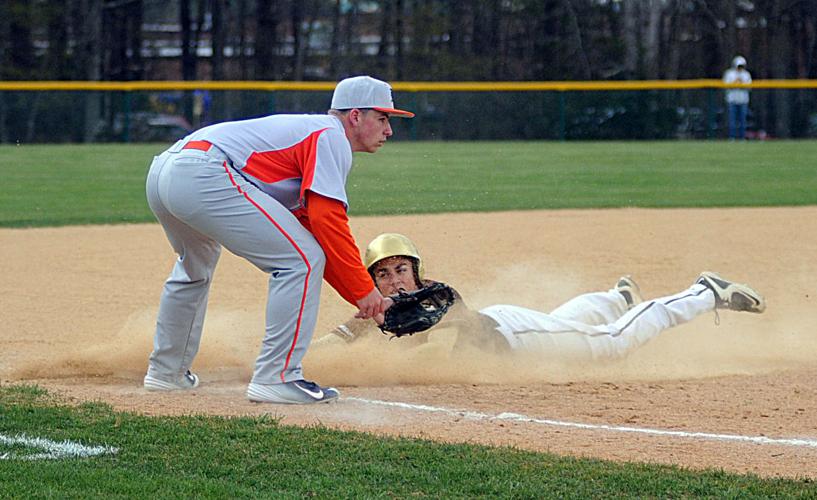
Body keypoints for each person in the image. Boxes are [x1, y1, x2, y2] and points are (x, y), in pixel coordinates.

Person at [143, 76, 414, 404]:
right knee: (299, 260)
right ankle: (277, 376)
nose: (389, 130)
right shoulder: (331, 136)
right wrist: (364, 292)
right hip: (206, 172)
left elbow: (312, 229)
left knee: (195, 268)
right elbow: (328, 223)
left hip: (167, 170)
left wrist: (364, 297)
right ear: (355, 116)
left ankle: (166, 372)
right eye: (383, 119)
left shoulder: (312, 134)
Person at [318, 233, 766, 361]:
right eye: (384, 274)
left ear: (417, 270)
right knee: (563, 320)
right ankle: (617, 297)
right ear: (373, 280)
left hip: (517, 338)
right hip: (518, 327)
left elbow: (429, 330)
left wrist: (374, 324)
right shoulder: (377, 309)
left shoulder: (436, 297)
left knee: (610, 345)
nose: (395, 280)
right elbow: (339, 342)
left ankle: (703, 293)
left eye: (402, 269)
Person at [723, 55, 752, 140]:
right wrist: (735, 83)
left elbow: (749, 87)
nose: (740, 68)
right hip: (732, 100)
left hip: (743, 101)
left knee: (743, 120)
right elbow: (725, 85)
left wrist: (741, 83)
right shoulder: (729, 73)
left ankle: (742, 137)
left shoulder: (746, 74)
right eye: (739, 66)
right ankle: (732, 137)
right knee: (732, 120)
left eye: (742, 66)